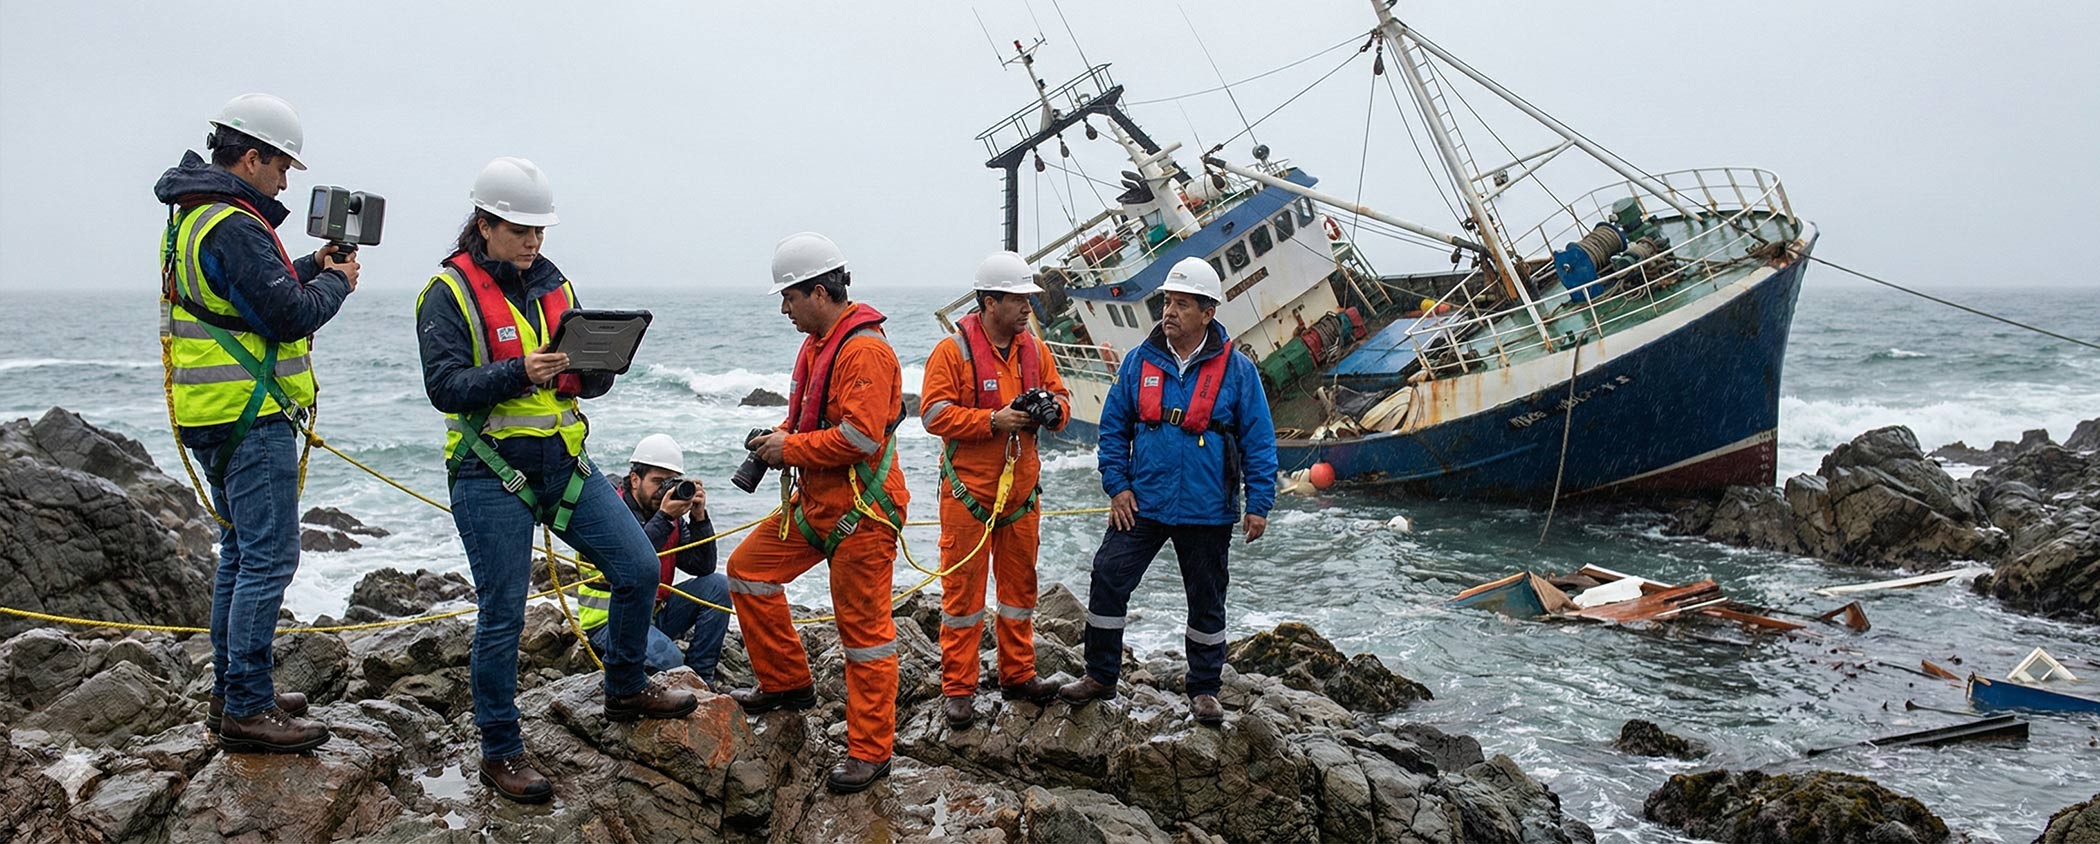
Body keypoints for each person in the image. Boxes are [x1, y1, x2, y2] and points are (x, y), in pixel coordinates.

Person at [416, 156, 696, 804]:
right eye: (521, 230)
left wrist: (600, 367)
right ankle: (499, 749)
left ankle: (624, 688)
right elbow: (444, 388)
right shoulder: (447, 292)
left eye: (540, 230)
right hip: (491, 475)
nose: (534, 242)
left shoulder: (556, 285)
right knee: (503, 612)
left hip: (564, 466)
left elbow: (578, 383)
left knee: (637, 567)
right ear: (484, 225)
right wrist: (521, 372)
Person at [155, 93, 358, 754]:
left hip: (214, 416)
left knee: (241, 556)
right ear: (251, 156)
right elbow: (289, 315)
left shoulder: (196, 216)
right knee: (269, 556)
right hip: (251, 416)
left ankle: (233, 691)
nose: (286, 179)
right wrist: (336, 286)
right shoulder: (235, 224)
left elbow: (247, 297)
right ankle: (246, 704)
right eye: (281, 166)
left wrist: (310, 269)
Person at [1057, 257, 1277, 726]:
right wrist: (1117, 487)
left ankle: (1204, 690)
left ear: (1207, 312)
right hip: (1145, 501)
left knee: (1206, 597)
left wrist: (1259, 503)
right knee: (1108, 574)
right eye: (1166, 302)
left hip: (1207, 507)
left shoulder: (1238, 372)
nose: (1169, 311)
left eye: (1181, 303)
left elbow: (1259, 439)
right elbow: (1113, 427)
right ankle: (1100, 674)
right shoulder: (1139, 362)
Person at [725, 232, 909, 794]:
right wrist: (781, 436)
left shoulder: (865, 351)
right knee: (748, 571)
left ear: (820, 292)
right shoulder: (816, 344)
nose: (784, 308)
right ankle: (786, 684)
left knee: (865, 636)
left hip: (862, 511)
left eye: (789, 296)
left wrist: (789, 450)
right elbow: (808, 419)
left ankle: (871, 751)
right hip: (817, 503)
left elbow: (857, 436)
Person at [918, 252, 1071, 729]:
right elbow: (933, 414)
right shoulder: (953, 352)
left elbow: (1061, 398)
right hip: (969, 496)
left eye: (1029, 299)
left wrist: (1054, 411)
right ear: (989, 302)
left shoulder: (1035, 349)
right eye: (1019, 298)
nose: (1029, 307)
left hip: (1020, 498)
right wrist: (992, 420)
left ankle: (1018, 674)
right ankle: (959, 688)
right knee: (962, 597)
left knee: (1019, 591)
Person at [574, 434, 732, 684]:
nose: (663, 490)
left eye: (669, 482)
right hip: (611, 621)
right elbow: (630, 559)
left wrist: (700, 518)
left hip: (654, 613)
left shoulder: (668, 514)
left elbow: (702, 567)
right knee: (671, 664)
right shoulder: (606, 509)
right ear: (634, 479)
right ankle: (680, 678)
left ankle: (702, 679)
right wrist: (665, 518)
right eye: (657, 481)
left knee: (719, 586)